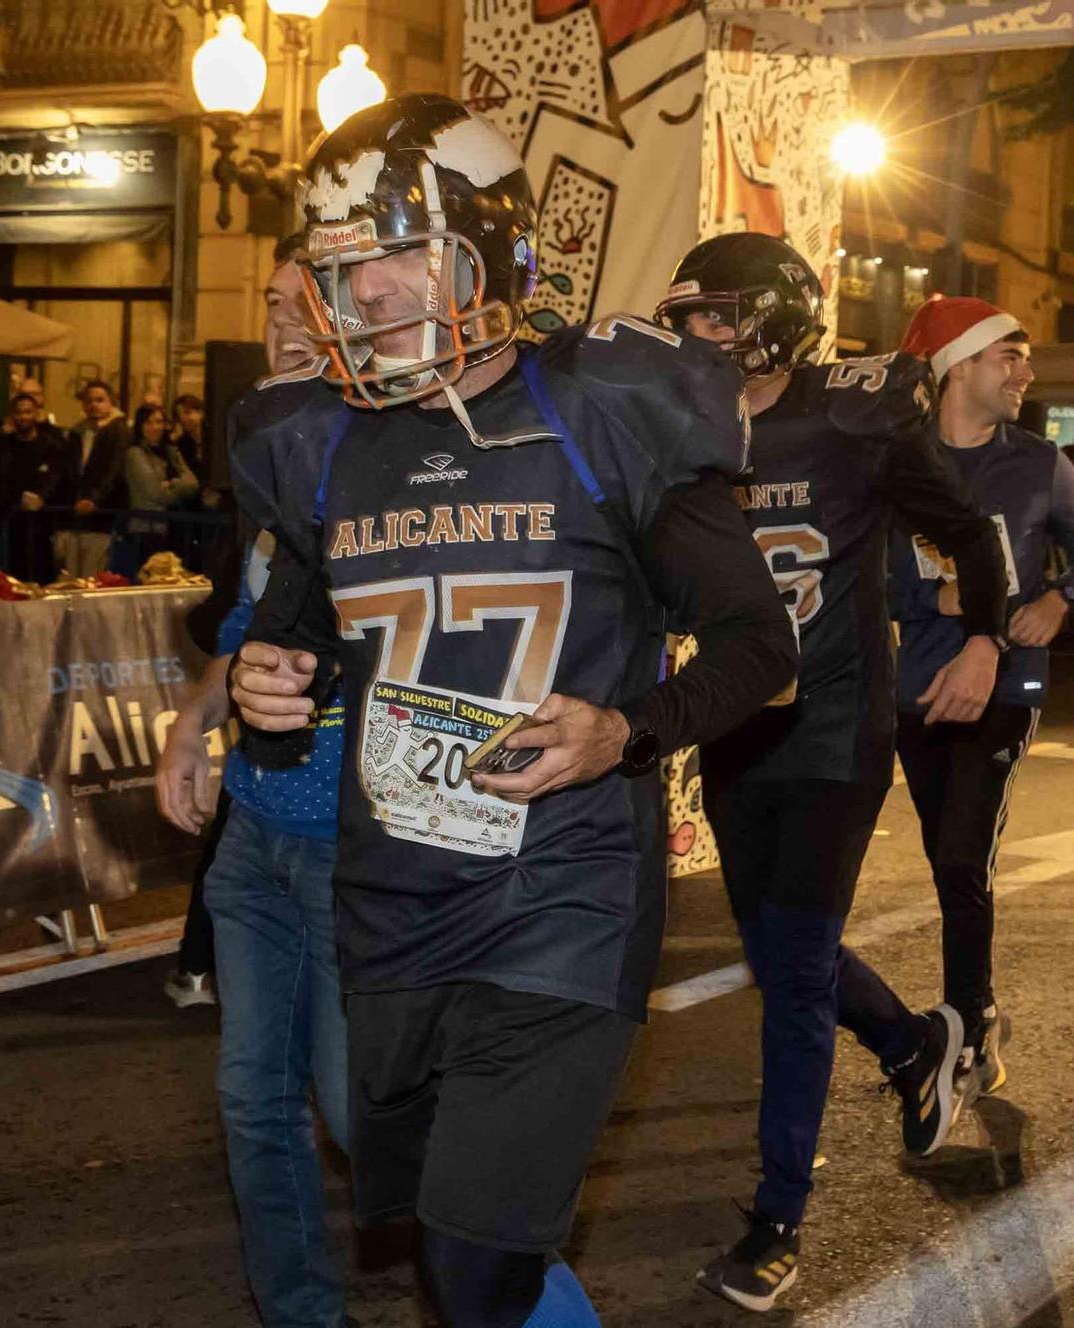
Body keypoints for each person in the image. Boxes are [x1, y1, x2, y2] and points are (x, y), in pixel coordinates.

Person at [228, 94, 797, 1328]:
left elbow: (763, 646)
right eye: (340, 268)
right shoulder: (324, 440)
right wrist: (266, 672)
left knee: (478, 1253)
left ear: (486, 251)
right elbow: (318, 619)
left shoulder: (603, 409)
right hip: (395, 887)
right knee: (454, 1250)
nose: (366, 294)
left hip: (564, 890)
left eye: (389, 255)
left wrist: (623, 729)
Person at [657, 244, 1010, 1312]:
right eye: (690, 319)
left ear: (770, 317)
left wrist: (985, 639)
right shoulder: (681, 426)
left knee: (796, 969)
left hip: (835, 729)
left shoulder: (854, 416)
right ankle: (912, 1045)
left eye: (716, 317)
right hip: (737, 727)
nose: (696, 338)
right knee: (774, 949)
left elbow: (967, 531)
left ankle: (777, 1216)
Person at [154, 274, 350, 1318]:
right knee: (255, 1105)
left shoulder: (389, 447)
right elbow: (244, 625)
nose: (282, 322)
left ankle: (518, 1278)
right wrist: (196, 717)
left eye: (307, 300)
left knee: (363, 1118)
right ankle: (301, 1311)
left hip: (356, 846)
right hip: (256, 834)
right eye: (272, 301)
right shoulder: (267, 437)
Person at [887, 295, 1074, 1101]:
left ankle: (968, 1023)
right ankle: (971, 1009)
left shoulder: (1040, 463)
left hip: (1007, 685)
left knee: (961, 855)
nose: (1025, 372)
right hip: (915, 687)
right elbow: (867, 574)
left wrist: (1058, 601)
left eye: (1024, 358)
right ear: (957, 366)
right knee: (945, 860)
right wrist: (934, 603)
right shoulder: (896, 459)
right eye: (1006, 357)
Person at [0, 392, 68, 582]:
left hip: (41, 523)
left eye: (28, 412)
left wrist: (42, 497)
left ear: (36, 414)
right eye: (18, 412)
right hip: (8, 520)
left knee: (41, 572)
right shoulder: (2, 444)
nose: (23, 417)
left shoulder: (50, 446)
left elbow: (56, 477)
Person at [57, 379, 130, 575]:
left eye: (100, 400)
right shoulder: (79, 431)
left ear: (111, 402)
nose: (94, 405)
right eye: (90, 400)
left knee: (93, 574)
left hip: (103, 515)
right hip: (78, 513)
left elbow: (114, 469)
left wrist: (94, 499)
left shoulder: (118, 430)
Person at [124, 402, 201, 559]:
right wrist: (178, 488)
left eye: (159, 422)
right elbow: (156, 493)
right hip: (148, 528)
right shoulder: (135, 454)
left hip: (174, 527)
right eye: (148, 422)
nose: (155, 427)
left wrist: (171, 484)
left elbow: (193, 484)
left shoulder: (171, 451)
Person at [171, 394, 207, 474]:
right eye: (179, 415)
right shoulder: (181, 445)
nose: (184, 418)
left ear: (200, 412)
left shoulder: (215, 439)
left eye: (187, 412)